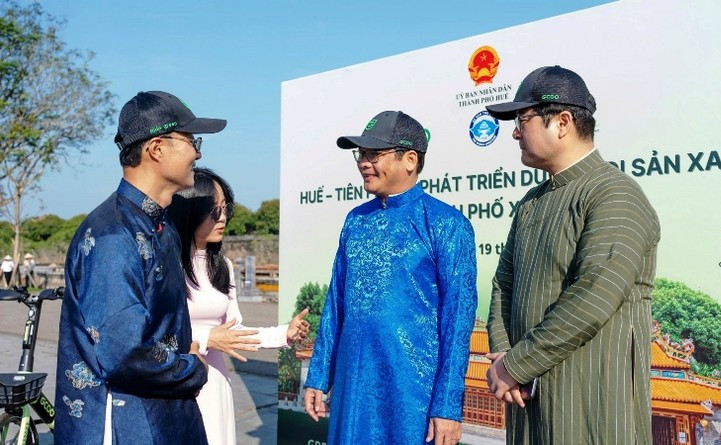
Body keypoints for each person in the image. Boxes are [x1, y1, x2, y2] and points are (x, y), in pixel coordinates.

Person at [484, 65, 660, 445]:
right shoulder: (532, 203)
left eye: (523, 119)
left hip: (591, 409)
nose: (515, 131)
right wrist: (501, 355)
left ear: (561, 122)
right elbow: (503, 284)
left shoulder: (615, 194)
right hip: (528, 405)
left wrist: (517, 364)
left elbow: (594, 295)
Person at [55, 91, 227, 444]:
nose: (197, 152)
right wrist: (193, 368)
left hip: (163, 416)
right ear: (157, 149)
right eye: (192, 141)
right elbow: (125, 352)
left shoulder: (159, 226)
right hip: (126, 423)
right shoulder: (112, 235)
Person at [303, 111, 478, 445]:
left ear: (410, 160)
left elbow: (458, 323)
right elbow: (336, 304)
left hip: (413, 393)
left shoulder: (446, 224)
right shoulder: (355, 221)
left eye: (374, 154)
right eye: (361, 155)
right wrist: (319, 374)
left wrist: (448, 405)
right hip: (352, 387)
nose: (364, 163)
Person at [168, 167, 310, 445]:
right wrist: (207, 337)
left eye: (224, 209)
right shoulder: (164, 265)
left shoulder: (223, 266)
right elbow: (150, 334)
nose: (222, 218)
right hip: (176, 383)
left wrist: (285, 334)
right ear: (189, 210)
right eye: (213, 210)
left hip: (216, 381)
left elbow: (236, 332)